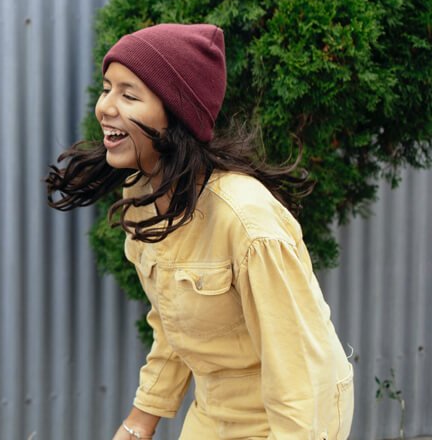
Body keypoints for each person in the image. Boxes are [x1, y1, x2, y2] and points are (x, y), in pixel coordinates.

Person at [46, 23, 353, 439]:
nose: (105, 107)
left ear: (176, 115)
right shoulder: (144, 197)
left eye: (129, 95)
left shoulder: (246, 221)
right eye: (107, 89)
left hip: (294, 415)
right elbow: (175, 324)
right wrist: (138, 424)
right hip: (217, 407)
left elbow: (297, 371)